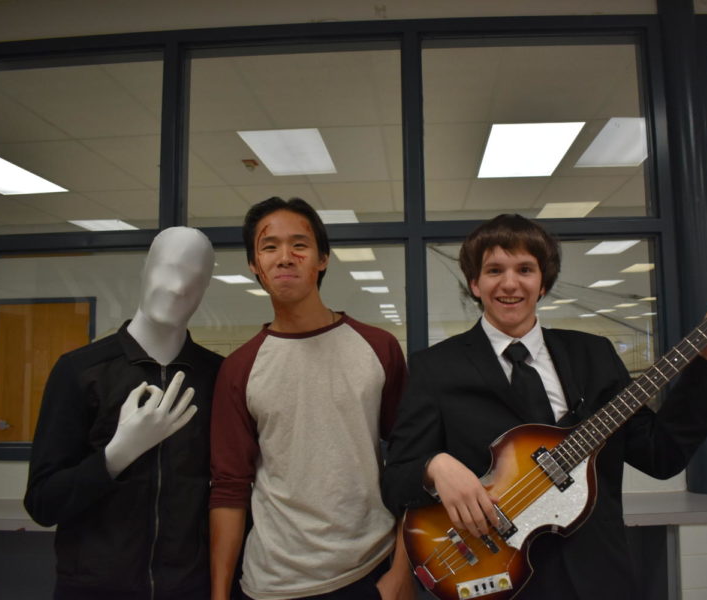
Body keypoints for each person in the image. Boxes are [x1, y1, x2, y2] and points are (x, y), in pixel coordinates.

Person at [380, 214, 707, 599]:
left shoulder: (593, 355)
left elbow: (660, 455)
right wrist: (433, 467)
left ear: (543, 283)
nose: (510, 283)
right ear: (475, 283)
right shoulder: (436, 367)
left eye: (525, 269)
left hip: (595, 576)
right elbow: (396, 480)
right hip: (492, 578)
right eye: (494, 270)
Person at [208, 197, 415, 600]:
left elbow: (411, 460)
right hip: (274, 581)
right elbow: (229, 488)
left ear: (322, 259)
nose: (285, 257)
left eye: (299, 245)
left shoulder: (379, 347)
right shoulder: (239, 368)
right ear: (254, 265)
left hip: (372, 569)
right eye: (269, 247)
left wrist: (402, 573)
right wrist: (219, 595)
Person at [24, 227, 223, 600]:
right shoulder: (81, 371)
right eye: (169, 269)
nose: (179, 287)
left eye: (195, 278)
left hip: (189, 587)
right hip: (96, 587)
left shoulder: (217, 376)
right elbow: (43, 502)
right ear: (145, 269)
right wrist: (117, 454)